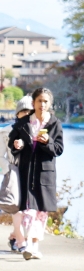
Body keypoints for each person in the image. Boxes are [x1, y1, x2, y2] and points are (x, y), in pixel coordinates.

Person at [9, 88, 62, 261]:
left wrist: (48, 143)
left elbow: (59, 150)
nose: (42, 104)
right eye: (39, 101)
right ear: (33, 103)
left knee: (41, 212)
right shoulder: (23, 123)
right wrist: (17, 145)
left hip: (45, 174)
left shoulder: (54, 124)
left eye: (46, 101)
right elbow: (13, 143)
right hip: (26, 172)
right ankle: (29, 246)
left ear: (50, 104)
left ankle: (34, 246)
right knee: (28, 210)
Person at [5, 95, 32, 252]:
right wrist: (8, 169)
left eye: (30, 112)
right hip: (14, 173)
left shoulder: (36, 130)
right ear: (17, 113)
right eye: (24, 111)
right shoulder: (8, 132)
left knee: (29, 209)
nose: (27, 115)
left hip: (31, 173)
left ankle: (15, 236)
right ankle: (21, 241)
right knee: (17, 207)